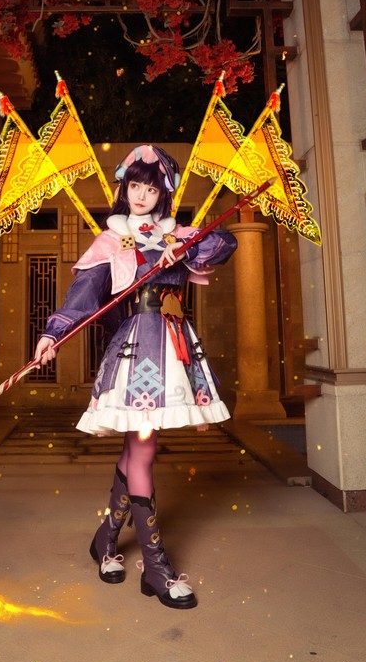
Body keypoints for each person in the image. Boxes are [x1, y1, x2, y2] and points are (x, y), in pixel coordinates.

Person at [34, 144, 237, 609]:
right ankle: (156, 567)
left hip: (174, 345)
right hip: (138, 348)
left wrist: (182, 247)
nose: (141, 195)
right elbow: (83, 293)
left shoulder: (175, 234)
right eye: (134, 186)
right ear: (123, 190)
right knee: (143, 447)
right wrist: (53, 334)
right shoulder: (113, 241)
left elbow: (225, 243)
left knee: (137, 447)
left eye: (151, 188)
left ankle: (106, 539)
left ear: (163, 194)